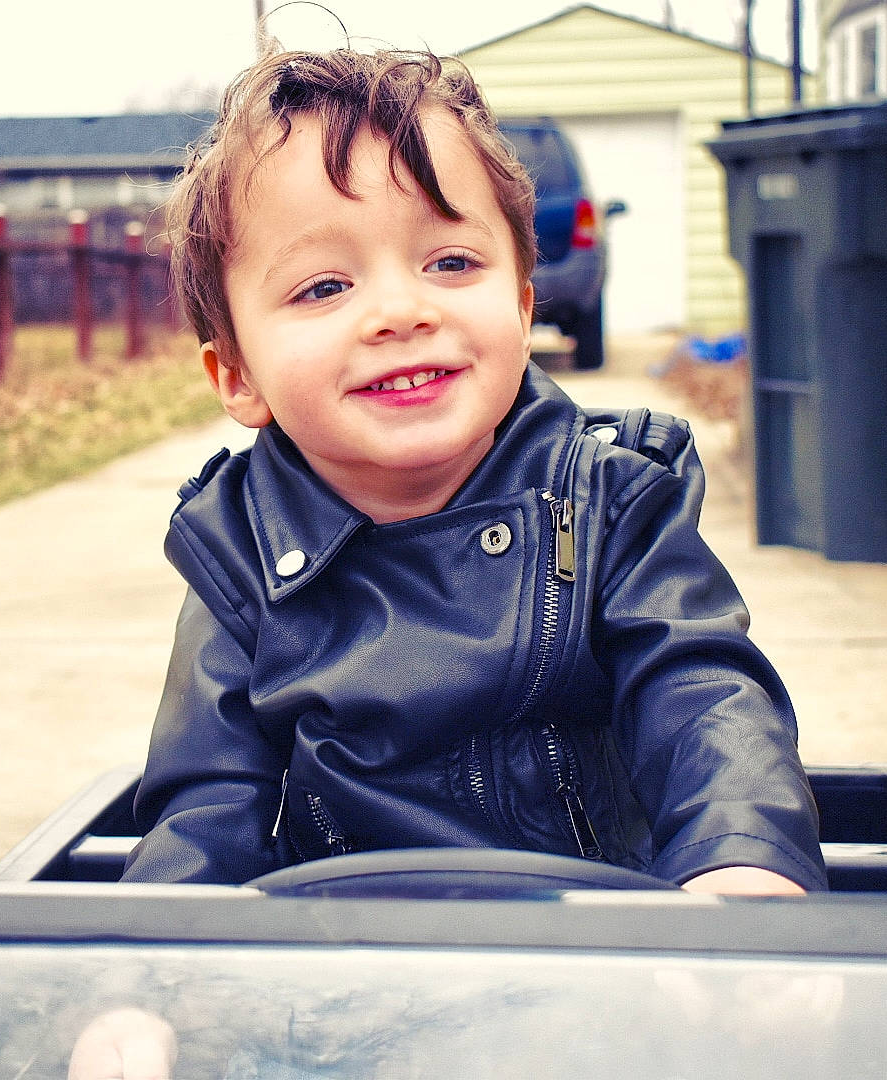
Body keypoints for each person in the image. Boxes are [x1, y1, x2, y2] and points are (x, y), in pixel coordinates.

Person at [116, 46, 826, 895]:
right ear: (237, 375)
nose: (401, 311)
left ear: (523, 310)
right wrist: (149, 971)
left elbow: (701, 692)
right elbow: (205, 803)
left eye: (450, 263)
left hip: (605, 946)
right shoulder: (237, 558)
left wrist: (738, 852)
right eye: (324, 286)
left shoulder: (611, 499)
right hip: (353, 964)